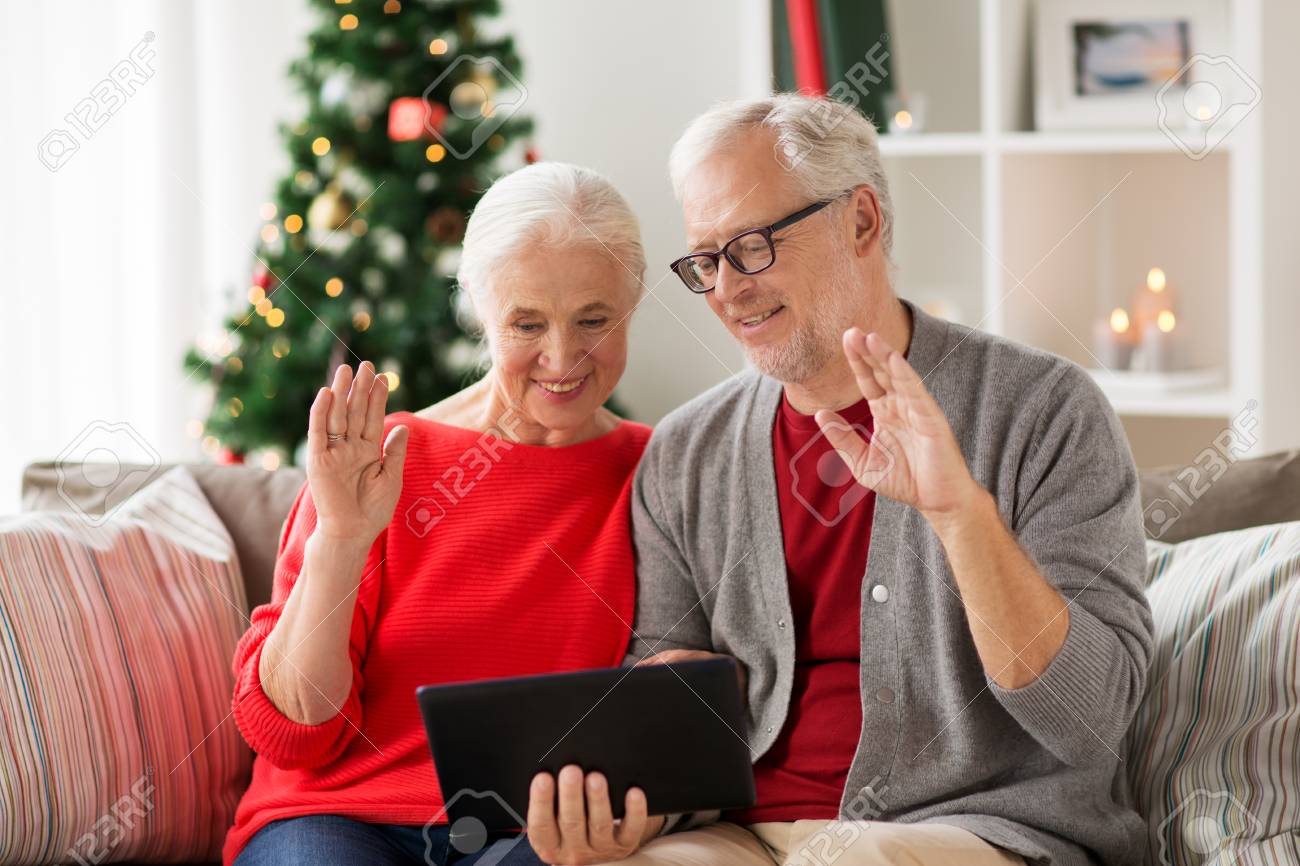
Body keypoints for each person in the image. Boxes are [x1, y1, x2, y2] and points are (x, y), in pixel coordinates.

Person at [518, 94, 1153, 866]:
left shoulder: (1043, 410)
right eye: (706, 260)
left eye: (752, 245)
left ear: (861, 221)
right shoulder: (687, 451)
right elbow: (668, 723)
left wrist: (960, 517)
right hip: (739, 834)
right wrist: (626, 812)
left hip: (977, 830)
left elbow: (1095, 720)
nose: (726, 288)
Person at [224, 162, 659, 866]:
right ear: (481, 313)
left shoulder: (660, 473)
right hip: (339, 819)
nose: (562, 356)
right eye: (526, 323)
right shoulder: (385, 459)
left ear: (633, 301)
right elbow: (292, 731)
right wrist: (341, 535)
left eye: (593, 319)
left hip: (534, 833)